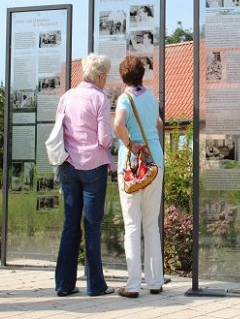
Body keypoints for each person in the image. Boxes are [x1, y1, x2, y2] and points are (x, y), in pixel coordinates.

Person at [54, 53, 116, 298]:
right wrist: (112, 142)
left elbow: (59, 130)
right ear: (99, 76)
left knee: (70, 225)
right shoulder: (100, 98)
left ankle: (64, 284)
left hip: (68, 166)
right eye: (105, 75)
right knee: (92, 226)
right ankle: (95, 285)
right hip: (93, 167)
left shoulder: (67, 96)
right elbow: (104, 138)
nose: (106, 79)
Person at [114, 56, 165, 298]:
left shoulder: (125, 98)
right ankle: (155, 281)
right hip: (155, 161)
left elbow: (118, 124)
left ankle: (133, 285)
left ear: (123, 77)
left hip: (132, 166)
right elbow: (159, 124)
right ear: (142, 75)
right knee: (151, 224)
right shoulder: (152, 98)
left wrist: (129, 143)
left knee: (132, 225)